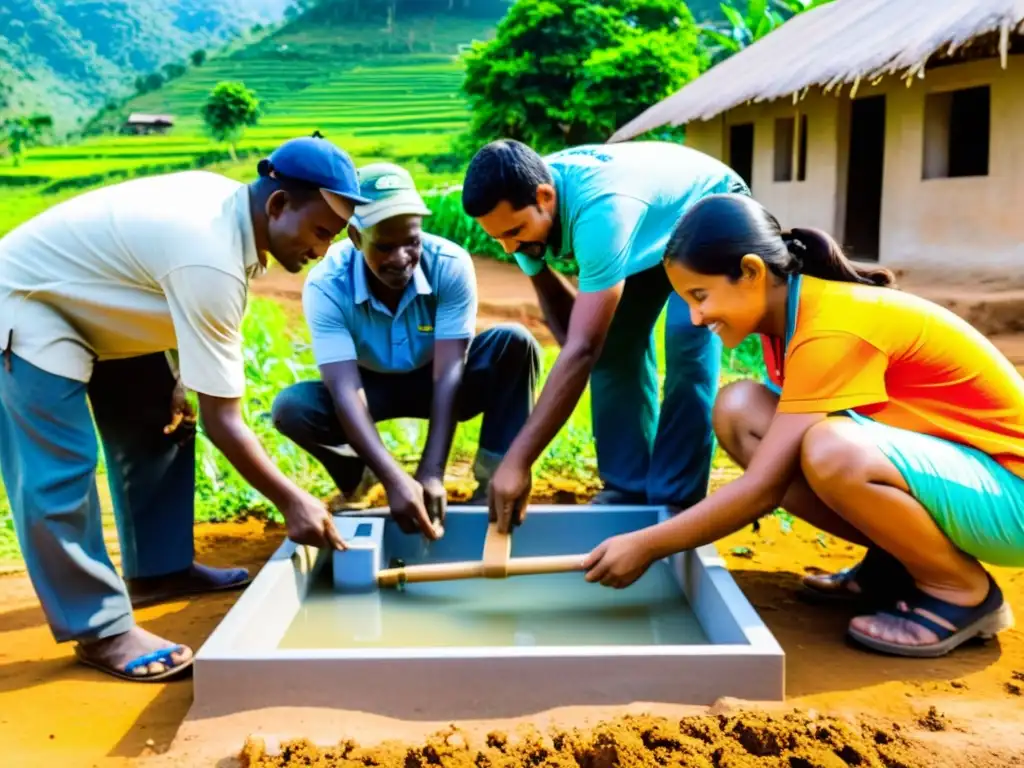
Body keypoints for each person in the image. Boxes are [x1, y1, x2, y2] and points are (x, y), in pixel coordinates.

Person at [582, 193, 1024, 659]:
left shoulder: (830, 326)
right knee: (740, 410)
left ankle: (960, 590)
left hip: (1010, 499)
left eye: (700, 295)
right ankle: (898, 563)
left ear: (751, 273)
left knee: (832, 449)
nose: (696, 317)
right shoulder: (790, 321)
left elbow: (761, 489)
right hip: (964, 481)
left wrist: (647, 545)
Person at [0, 134, 369, 682]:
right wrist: (294, 502)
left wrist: (178, 373)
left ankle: (159, 570)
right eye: (320, 232)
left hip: (102, 305)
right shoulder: (213, 253)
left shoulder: (230, 211)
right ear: (277, 205)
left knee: (165, 420)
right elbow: (228, 421)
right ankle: (101, 628)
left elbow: (150, 272)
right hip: (29, 303)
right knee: (59, 468)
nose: (322, 251)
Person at [461, 140, 749, 532]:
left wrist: (517, 461)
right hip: (651, 225)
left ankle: (675, 498)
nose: (511, 247)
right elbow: (575, 338)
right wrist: (590, 355)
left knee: (688, 342)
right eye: (499, 238)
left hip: (710, 210)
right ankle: (627, 488)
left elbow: (581, 350)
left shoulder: (601, 213)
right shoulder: (520, 210)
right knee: (614, 349)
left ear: (545, 198)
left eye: (514, 232)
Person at [271, 162, 542, 539]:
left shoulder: (449, 264)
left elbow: (450, 371)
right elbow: (345, 390)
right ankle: (359, 475)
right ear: (354, 236)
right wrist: (393, 478)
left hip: (440, 379)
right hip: (368, 388)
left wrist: (431, 472)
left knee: (514, 345)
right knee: (292, 409)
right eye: (383, 246)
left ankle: (496, 482)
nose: (400, 258)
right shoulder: (326, 284)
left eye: (411, 242)